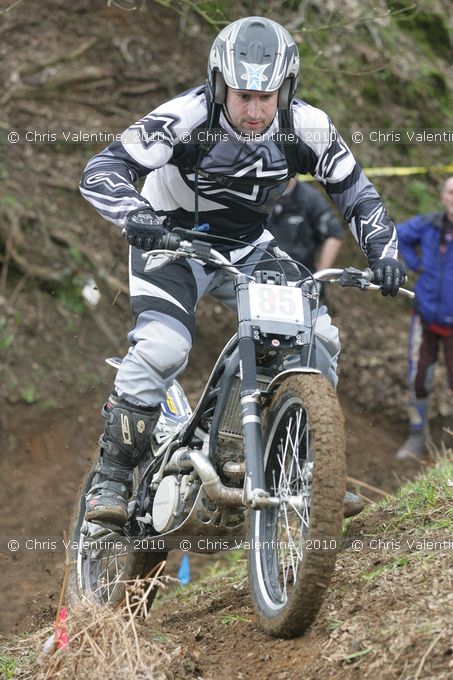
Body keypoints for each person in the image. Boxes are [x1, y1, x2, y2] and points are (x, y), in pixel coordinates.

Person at [79, 16, 406, 527]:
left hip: (247, 246)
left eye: (266, 97)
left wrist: (384, 252)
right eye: (241, 96)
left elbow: (357, 193)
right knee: (165, 346)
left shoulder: (306, 125)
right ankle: (113, 474)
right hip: (172, 242)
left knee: (317, 334)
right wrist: (135, 215)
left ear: (286, 90)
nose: (254, 111)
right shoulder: (184, 117)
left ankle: (306, 470)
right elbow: (102, 171)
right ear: (217, 85)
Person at [395, 177, 453, 460]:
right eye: (452, 192)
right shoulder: (430, 224)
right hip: (426, 314)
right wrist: (414, 264)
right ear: (443, 196)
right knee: (418, 378)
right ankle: (418, 435)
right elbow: (399, 234)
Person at [267, 177, 344, 278]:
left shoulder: (310, 198)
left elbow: (334, 234)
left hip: (300, 278)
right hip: (262, 276)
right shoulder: (259, 194)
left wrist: (319, 277)